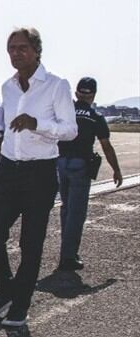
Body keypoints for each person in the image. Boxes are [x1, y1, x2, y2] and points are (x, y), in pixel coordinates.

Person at [0, 27, 77, 327]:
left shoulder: (56, 86)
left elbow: (70, 130)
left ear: (36, 50)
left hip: (40, 173)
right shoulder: (7, 87)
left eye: (22, 47)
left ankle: (20, 304)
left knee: (30, 243)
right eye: (11, 48)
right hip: (8, 170)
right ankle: (6, 291)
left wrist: (37, 124)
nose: (16, 53)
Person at [56, 76, 123, 271]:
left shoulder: (65, 112)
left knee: (66, 209)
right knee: (77, 213)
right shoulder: (95, 116)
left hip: (60, 162)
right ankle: (68, 257)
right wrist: (116, 169)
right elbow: (106, 146)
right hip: (80, 165)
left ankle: (67, 250)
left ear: (77, 93)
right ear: (93, 95)